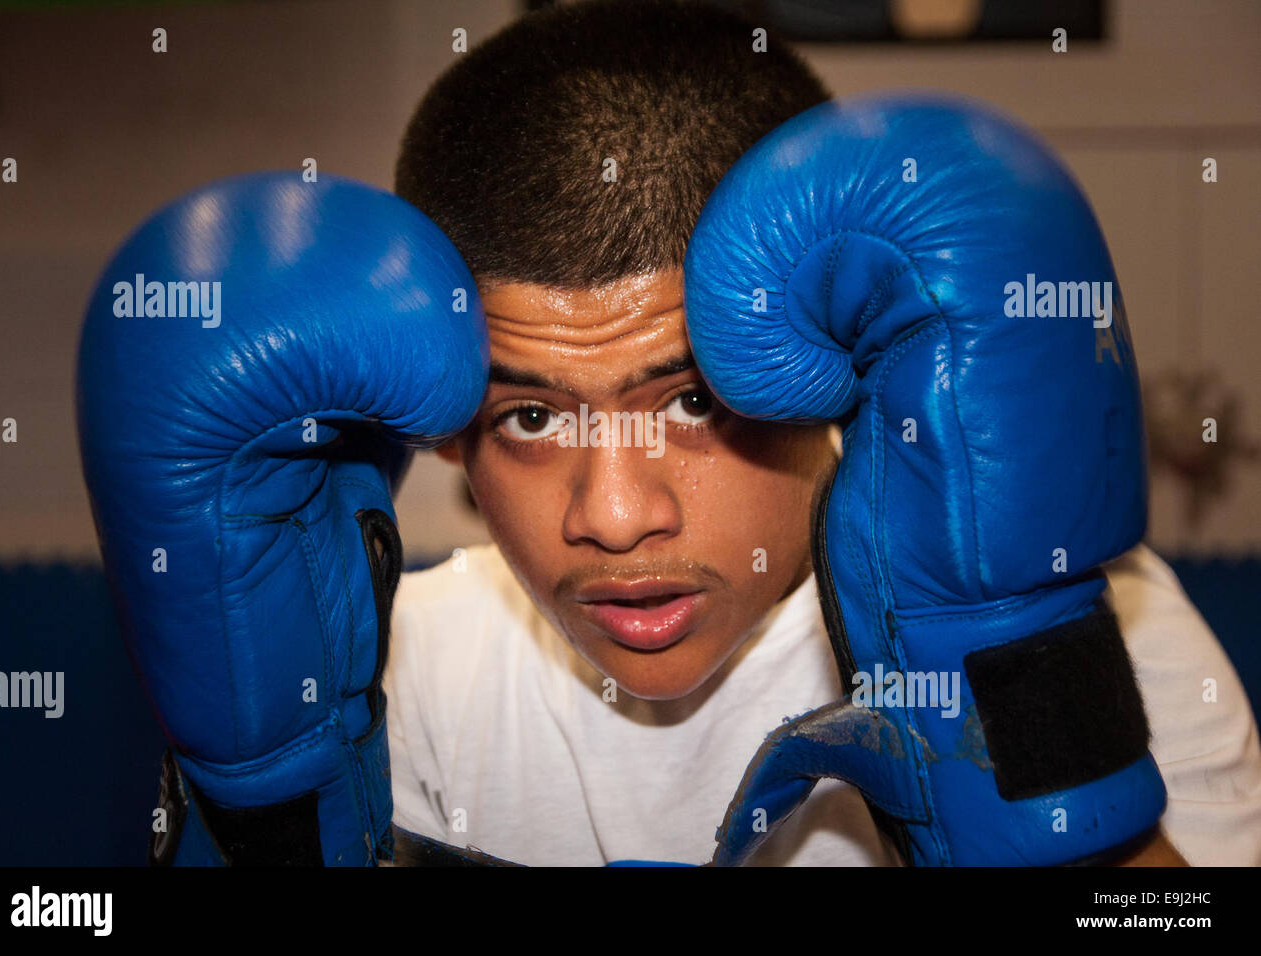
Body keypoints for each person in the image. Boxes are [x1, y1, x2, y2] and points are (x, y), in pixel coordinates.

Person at [383, 0, 1261, 865]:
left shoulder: (1085, 622)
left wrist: (1040, 725)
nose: (616, 517)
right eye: (532, 417)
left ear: (834, 361)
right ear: (452, 427)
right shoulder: (395, 671)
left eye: (693, 403)